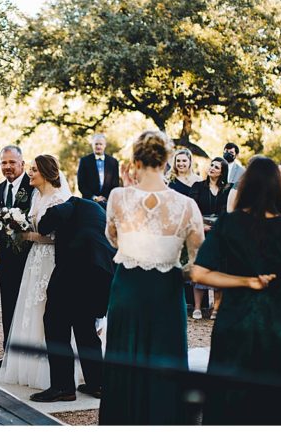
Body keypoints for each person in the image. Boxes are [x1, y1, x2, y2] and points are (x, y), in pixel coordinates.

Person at [192, 156, 281, 425]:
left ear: (246, 187)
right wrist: (279, 300)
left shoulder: (228, 223)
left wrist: (243, 282)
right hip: (275, 327)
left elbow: (199, 272)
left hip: (233, 323)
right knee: (270, 401)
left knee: (226, 398)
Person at [100, 130, 204, 425]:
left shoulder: (118, 197)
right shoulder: (186, 205)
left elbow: (113, 239)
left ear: (135, 160)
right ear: (168, 159)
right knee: (164, 356)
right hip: (166, 288)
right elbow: (196, 256)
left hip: (127, 286)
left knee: (125, 357)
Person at [31, 196, 116, 403]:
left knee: (55, 324)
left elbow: (47, 224)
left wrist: (44, 223)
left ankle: (63, 387)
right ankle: (98, 384)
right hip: (103, 270)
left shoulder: (70, 204)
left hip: (76, 268)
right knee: (85, 328)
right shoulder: (95, 210)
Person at [0, 155, 70, 389]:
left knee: (47, 311)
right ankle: (25, 366)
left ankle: (51, 371)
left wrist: (26, 235)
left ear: (47, 173)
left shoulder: (60, 199)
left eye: (34, 170)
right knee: (30, 307)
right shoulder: (37, 196)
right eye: (29, 169)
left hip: (51, 261)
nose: (29, 173)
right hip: (34, 260)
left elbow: (58, 238)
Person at [0, 144, 35, 365]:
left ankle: (28, 356)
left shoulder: (33, 187)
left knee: (29, 305)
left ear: (22, 163)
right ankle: (8, 354)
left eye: (12, 162)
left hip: (29, 256)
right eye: (4, 162)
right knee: (8, 304)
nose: (8, 167)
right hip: (6, 257)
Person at [191, 157, 231, 318]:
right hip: (200, 231)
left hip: (220, 233)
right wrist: (201, 225)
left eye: (216, 167)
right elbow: (192, 207)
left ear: (222, 172)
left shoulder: (228, 189)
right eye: (212, 165)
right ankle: (198, 307)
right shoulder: (198, 186)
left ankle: (216, 308)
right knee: (200, 267)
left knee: (218, 269)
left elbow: (229, 210)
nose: (212, 168)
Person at [76, 134, 121, 209]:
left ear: (105, 145)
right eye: (96, 144)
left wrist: (105, 197)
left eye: (101, 144)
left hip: (108, 203)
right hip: (89, 203)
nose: (98, 146)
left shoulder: (113, 162)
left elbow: (115, 184)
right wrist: (94, 198)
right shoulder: (84, 161)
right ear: (92, 145)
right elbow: (81, 184)